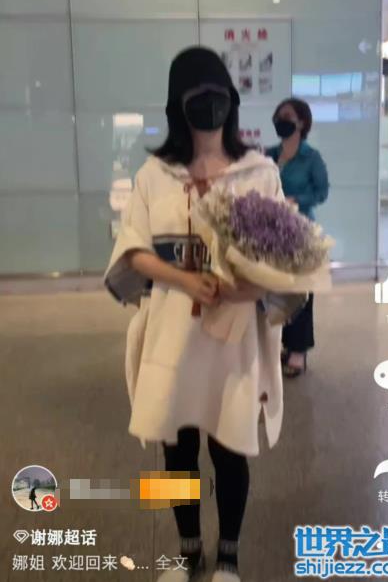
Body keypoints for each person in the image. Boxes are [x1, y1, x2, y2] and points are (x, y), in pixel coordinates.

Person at [105, 47, 291, 582]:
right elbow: (132, 250)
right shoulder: (155, 174)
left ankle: (228, 557)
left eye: (218, 95)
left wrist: (251, 285)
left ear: (231, 101)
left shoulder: (259, 172)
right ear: (177, 105)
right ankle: (187, 554)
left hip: (233, 338)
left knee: (230, 448)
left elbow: (285, 256)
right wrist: (185, 279)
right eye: (197, 96)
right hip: (170, 335)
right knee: (176, 452)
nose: (210, 106)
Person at [266, 98, 329, 377]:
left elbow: (322, 192)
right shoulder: (268, 154)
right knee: (275, 290)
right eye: (278, 115)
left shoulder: (311, 157)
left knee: (301, 290)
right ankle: (283, 343)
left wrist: (296, 199)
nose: (281, 120)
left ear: (301, 122)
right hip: (270, 231)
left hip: (301, 231)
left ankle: (299, 351)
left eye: (287, 115)